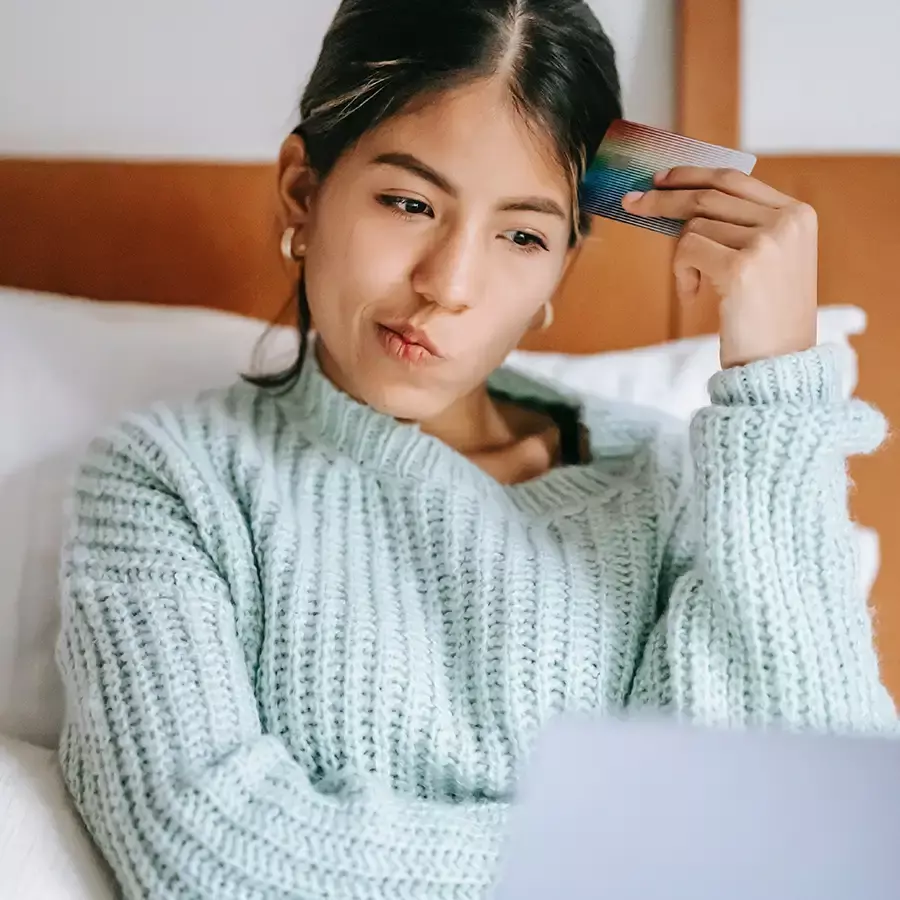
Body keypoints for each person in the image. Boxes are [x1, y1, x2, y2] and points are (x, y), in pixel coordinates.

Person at [56, 0, 897, 897]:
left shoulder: (679, 489)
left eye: (523, 235)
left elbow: (822, 838)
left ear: (561, 271)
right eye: (410, 202)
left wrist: (775, 388)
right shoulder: (171, 480)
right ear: (304, 192)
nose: (448, 285)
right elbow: (210, 856)